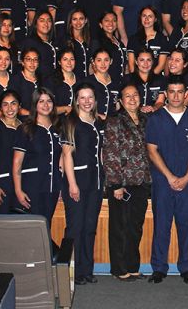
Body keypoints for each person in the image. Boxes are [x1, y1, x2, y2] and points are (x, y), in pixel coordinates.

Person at [145, 75, 188, 284]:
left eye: (180, 92)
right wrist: (169, 176)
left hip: (187, 181)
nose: (176, 96)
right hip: (162, 181)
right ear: (166, 94)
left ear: (186, 94)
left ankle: (186, 267)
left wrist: (187, 177)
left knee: (185, 224)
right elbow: (151, 150)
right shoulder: (155, 119)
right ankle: (159, 268)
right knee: (162, 224)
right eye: (172, 92)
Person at [103, 82, 151, 281]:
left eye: (135, 95)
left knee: (135, 227)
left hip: (142, 182)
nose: (132, 99)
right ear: (121, 101)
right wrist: (116, 184)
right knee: (119, 227)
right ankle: (119, 268)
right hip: (121, 184)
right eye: (127, 96)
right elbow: (110, 153)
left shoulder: (146, 120)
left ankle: (132, 266)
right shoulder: (115, 121)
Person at [62, 83, 104, 285]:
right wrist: (72, 184)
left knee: (89, 227)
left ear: (95, 100)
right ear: (76, 100)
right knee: (75, 227)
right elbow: (66, 155)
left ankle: (87, 269)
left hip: (95, 182)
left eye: (90, 97)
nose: (87, 101)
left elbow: (100, 153)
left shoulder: (98, 122)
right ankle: (73, 272)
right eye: (83, 97)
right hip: (77, 181)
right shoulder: (71, 122)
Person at [12, 87, 62, 226]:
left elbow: (61, 160)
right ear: (35, 104)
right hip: (32, 187)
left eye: (49, 101)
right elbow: (17, 162)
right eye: (41, 101)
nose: (46, 105)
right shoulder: (26, 128)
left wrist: (60, 186)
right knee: (31, 228)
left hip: (52, 187)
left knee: (46, 225)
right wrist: (18, 190)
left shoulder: (58, 128)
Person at [20, 10, 62, 78]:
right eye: (42, 21)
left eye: (49, 21)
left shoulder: (56, 42)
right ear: (35, 24)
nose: (46, 24)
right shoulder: (29, 43)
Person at [122, 48, 166, 114]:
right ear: (136, 62)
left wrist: (154, 108)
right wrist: (140, 109)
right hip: (132, 115)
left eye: (149, 60)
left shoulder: (160, 79)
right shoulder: (127, 79)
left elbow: (160, 101)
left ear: (152, 62)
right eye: (142, 60)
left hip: (154, 115)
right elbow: (124, 101)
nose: (145, 64)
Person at [127, 6, 168, 74]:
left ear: (155, 19)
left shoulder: (162, 39)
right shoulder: (133, 39)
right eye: (144, 16)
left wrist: (149, 78)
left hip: (156, 78)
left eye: (150, 16)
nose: (146, 19)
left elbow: (161, 65)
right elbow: (131, 66)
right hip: (136, 78)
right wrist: (138, 78)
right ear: (140, 18)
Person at [0, 90, 22, 214]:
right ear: (1, 108)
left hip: (22, 184)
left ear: (19, 106)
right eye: (5, 104)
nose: (10, 108)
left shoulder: (25, 127)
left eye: (13, 103)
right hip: (2, 184)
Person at [91, 11, 126, 87]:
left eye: (114, 20)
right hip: (106, 84)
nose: (111, 23)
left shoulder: (120, 43)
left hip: (120, 84)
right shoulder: (97, 42)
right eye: (107, 20)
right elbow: (93, 66)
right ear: (101, 24)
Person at [84, 48, 119, 120]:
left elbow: (118, 106)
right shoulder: (86, 82)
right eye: (99, 60)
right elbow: (80, 107)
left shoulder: (116, 82)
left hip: (113, 123)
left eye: (106, 60)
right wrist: (98, 116)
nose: (103, 64)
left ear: (111, 61)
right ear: (93, 62)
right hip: (92, 121)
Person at [8, 48, 40, 119]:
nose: (32, 62)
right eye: (28, 59)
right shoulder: (15, 80)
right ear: (22, 62)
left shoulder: (42, 80)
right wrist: (33, 115)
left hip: (41, 119)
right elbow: (13, 106)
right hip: (23, 120)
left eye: (35, 59)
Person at [44, 48, 76, 117]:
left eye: (72, 59)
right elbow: (45, 107)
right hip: (56, 121)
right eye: (65, 59)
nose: (69, 62)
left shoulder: (81, 80)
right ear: (59, 62)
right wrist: (64, 109)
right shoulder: (50, 81)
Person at [65, 8, 91, 81]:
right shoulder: (66, 41)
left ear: (86, 20)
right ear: (70, 21)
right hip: (72, 82)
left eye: (81, 19)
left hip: (87, 82)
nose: (78, 22)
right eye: (75, 19)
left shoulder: (89, 41)